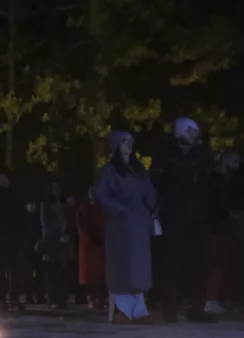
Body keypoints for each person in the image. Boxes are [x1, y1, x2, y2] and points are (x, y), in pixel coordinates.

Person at [150, 117, 215, 323]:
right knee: (172, 264)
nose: (195, 136)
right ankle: (170, 308)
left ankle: (196, 308)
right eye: (192, 131)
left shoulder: (201, 157)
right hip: (173, 218)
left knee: (198, 265)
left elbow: (209, 186)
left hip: (197, 219)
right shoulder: (166, 157)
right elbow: (156, 186)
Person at [95, 131, 157, 323]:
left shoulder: (139, 171)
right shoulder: (110, 170)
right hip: (120, 225)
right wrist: (119, 209)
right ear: (115, 146)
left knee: (139, 267)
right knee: (122, 266)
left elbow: (150, 192)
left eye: (130, 141)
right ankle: (122, 310)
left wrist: (152, 209)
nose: (128, 145)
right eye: (124, 141)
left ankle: (139, 310)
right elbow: (101, 194)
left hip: (138, 223)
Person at [204, 150, 240, 313]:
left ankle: (217, 298)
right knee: (216, 263)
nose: (237, 165)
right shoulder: (215, 179)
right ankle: (210, 299)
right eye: (233, 161)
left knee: (224, 263)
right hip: (215, 226)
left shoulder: (230, 180)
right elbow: (216, 204)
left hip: (225, 226)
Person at [0, 170, 25, 311]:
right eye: (0, 178)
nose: (3, 180)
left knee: (15, 270)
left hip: (13, 238)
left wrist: (20, 233)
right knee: (0, 270)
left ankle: (14, 298)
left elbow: (20, 215)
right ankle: (0, 298)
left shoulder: (14, 195)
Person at [40, 181, 76, 309]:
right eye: (54, 187)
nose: (56, 190)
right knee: (52, 270)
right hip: (52, 241)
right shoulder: (46, 205)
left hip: (64, 241)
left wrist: (67, 234)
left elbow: (70, 221)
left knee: (63, 270)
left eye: (58, 187)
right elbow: (45, 223)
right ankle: (52, 297)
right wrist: (57, 236)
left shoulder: (65, 204)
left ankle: (62, 298)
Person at [77, 186, 107, 309]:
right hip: (89, 244)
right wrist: (88, 237)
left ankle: (100, 298)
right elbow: (81, 225)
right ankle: (91, 297)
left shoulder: (103, 208)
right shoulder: (84, 208)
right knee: (89, 274)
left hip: (100, 243)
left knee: (100, 273)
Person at [21, 201, 45, 305]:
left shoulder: (39, 218)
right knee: (27, 273)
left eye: (34, 204)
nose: (32, 206)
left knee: (40, 272)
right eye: (30, 204)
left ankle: (40, 295)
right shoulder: (23, 218)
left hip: (38, 247)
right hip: (26, 248)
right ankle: (29, 295)